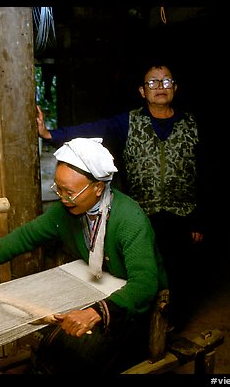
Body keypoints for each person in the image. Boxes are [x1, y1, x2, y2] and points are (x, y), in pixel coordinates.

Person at [0, 138, 168, 374]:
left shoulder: (129, 219)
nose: (63, 198)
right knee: (50, 337)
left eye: (70, 192)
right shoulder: (67, 211)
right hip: (100, 286)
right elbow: (30, 234)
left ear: (98, 188)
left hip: (130, 304)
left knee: (79, 352)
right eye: (58, 189)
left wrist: (95, 312)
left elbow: (145, 284)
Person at [37, 62, 204, 331]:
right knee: (144, 272)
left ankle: (173, 324)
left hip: (181, 214)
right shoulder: (128, 122)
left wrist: (199, 220)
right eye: (152, 83)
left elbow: (204, 172)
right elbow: (93, 128)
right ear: (142, 91)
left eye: (165, 81)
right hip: (144, 214)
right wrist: (50, 134)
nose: (159, 87)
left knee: (179, 272)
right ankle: (143, 325)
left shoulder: (191, 124)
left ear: (175, 87)